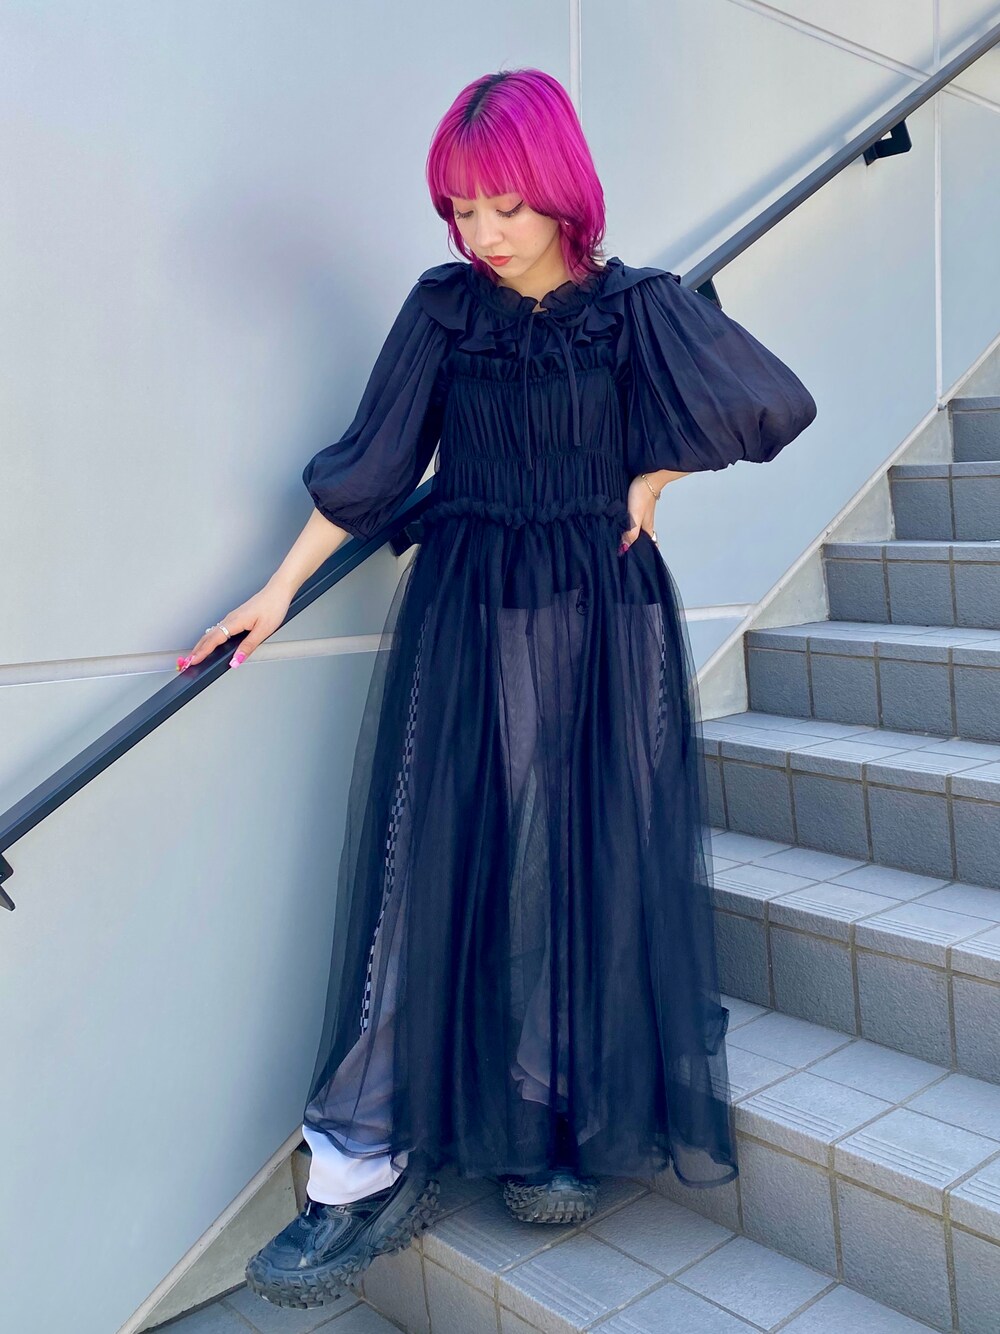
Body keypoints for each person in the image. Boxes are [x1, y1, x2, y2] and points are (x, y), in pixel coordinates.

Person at [178, 67, 817, 1311]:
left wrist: (655, 474)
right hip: (470, 607)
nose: (482, 232)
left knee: (580, 854)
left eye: (505, 205)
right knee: (434, 855)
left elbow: (769, 401)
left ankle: (550, 1109)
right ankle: (357, 1165)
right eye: (461, 208)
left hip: (597, 609)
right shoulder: (443, 311)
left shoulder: (635, 308)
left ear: (562, 192)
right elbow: (372, 468)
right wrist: (274, 591)